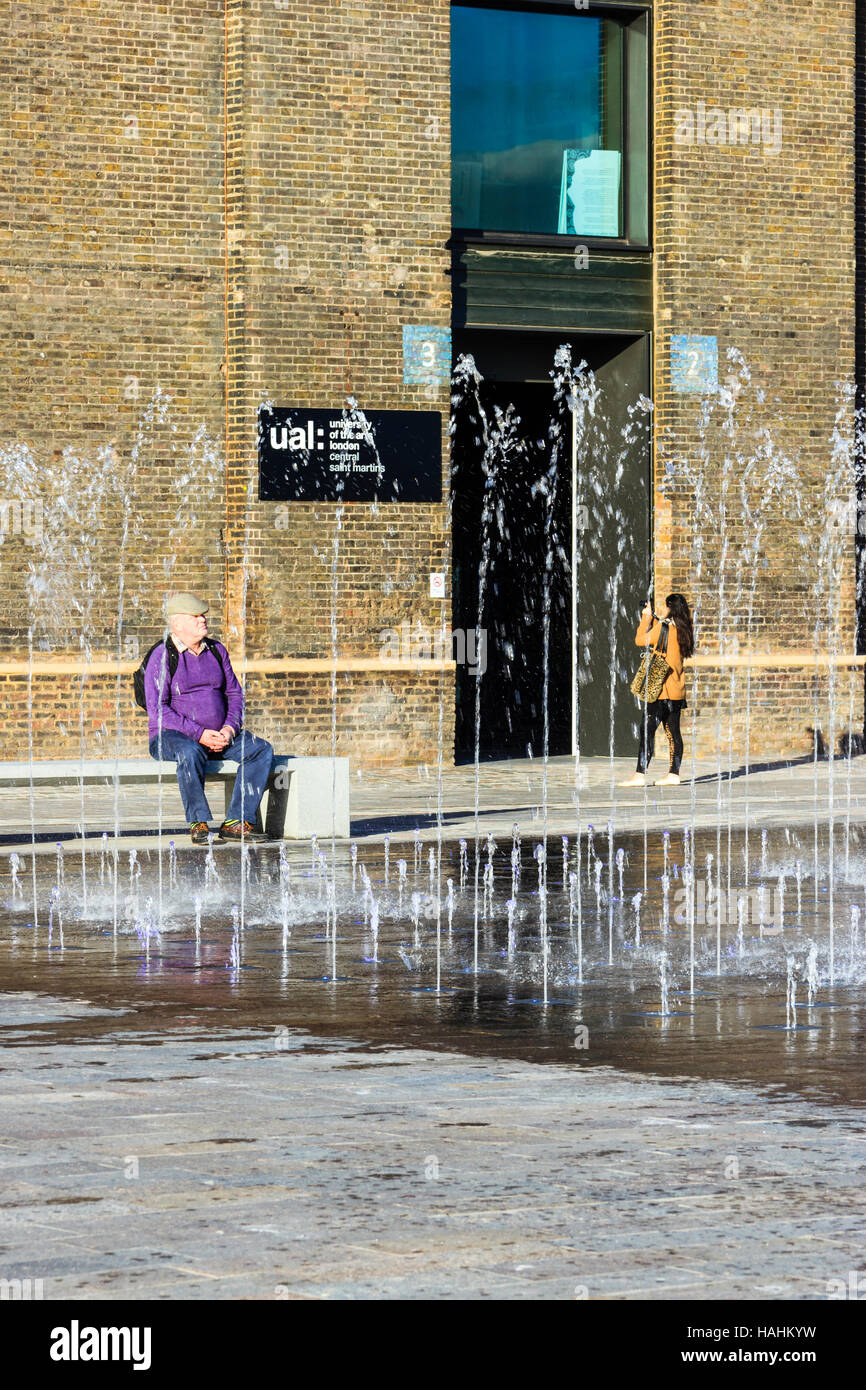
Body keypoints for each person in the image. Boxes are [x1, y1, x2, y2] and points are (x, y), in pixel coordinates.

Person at [144, 592, 274, 843]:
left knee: (260, 749)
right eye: (196, 616)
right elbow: (158, 710)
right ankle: (198, 822)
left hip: (219, 735)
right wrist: (200, 734)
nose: (203, 620)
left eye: (203, 616)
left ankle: (236, 821)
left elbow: (234, 694)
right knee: (190, 752)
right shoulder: (162, 656)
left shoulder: (216, 651)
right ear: (177, 623)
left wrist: (229, 729)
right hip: (173, 736)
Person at [619, 593, 694, 788]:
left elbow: (640, 640)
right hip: (677, 691)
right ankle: (674, 773)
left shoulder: (664, 627)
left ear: (670, 607)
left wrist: (646, 617)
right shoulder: (685, 629)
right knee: (674, 734)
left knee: (647, 731)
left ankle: (639, 774)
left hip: (660, 691)